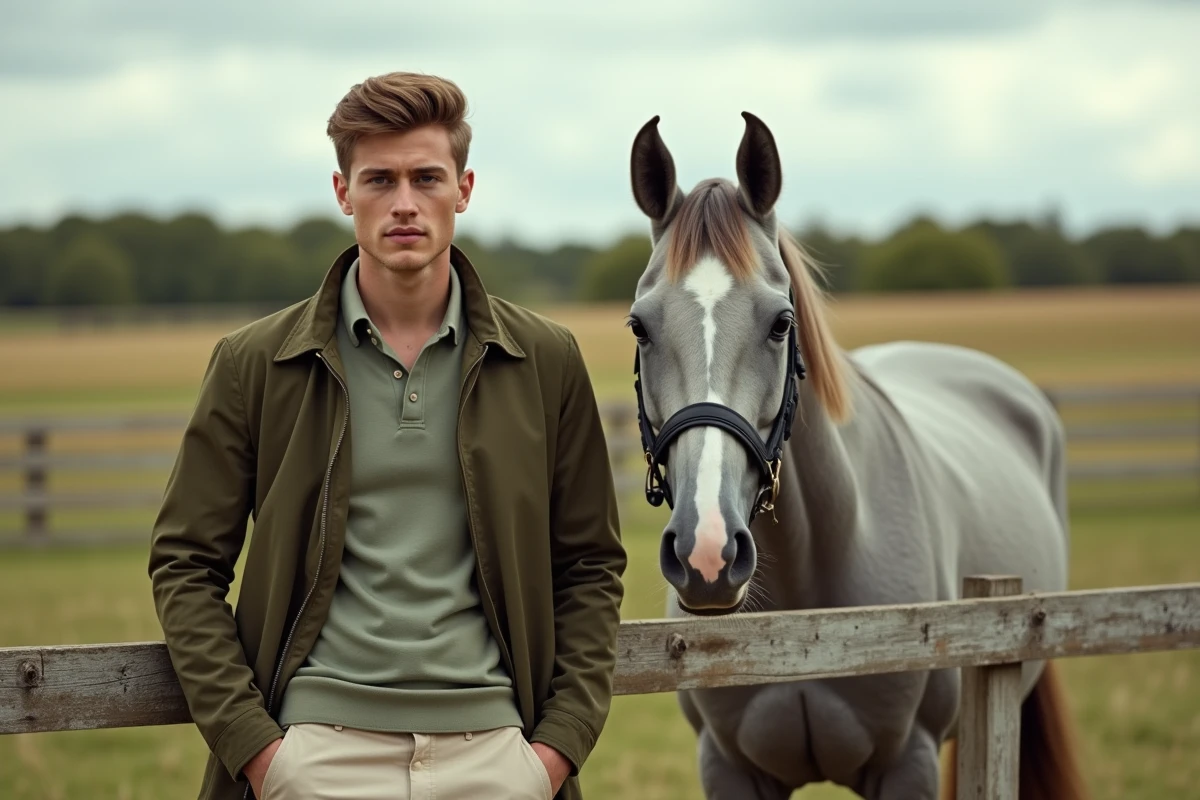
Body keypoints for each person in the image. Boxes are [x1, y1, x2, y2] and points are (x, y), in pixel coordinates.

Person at [149, 71, 626, 800]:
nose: (405, 202)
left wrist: (555, 750)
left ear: (463, 189)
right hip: (316, 754)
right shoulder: (255, 363)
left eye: (426, 177)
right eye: (379, 179)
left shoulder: (545, 360)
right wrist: (259, 752)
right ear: (344, 192)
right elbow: (184, 562)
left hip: (496, 756)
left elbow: (591, 565)